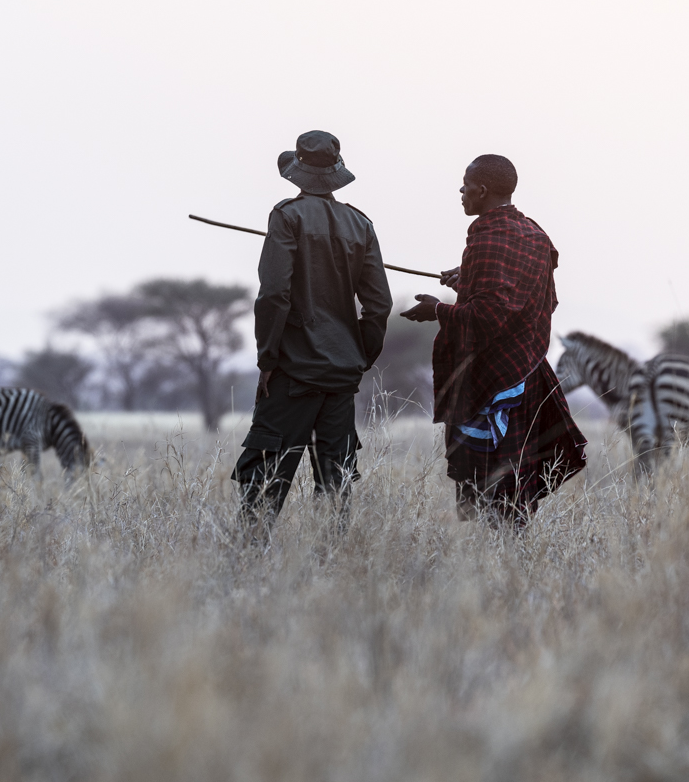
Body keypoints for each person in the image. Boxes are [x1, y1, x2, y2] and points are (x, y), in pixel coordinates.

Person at [401, 154, 586, 525]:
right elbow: (537, 301)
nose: (461, 191)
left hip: (494, 383)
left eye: (466, 185)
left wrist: (437, 310)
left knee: (488, 487)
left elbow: (487, 316)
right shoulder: (534, 234)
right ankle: (507, 553)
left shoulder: (487, 239)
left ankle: (494, 554)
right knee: (515, 487)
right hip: (528, 372)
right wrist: (468, 280)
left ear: (482, 190)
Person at [236, 130, 393, 540]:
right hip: (341, 375)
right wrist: (357, 358)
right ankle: (333, 563)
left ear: (297, 171)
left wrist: (268, 360)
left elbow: (274, 295)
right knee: (336, 481)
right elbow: (379, 305)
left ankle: (247, 561)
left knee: (264, 477)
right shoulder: (361, 224)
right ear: (336, 172)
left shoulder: (286, 216)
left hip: (293, 371)